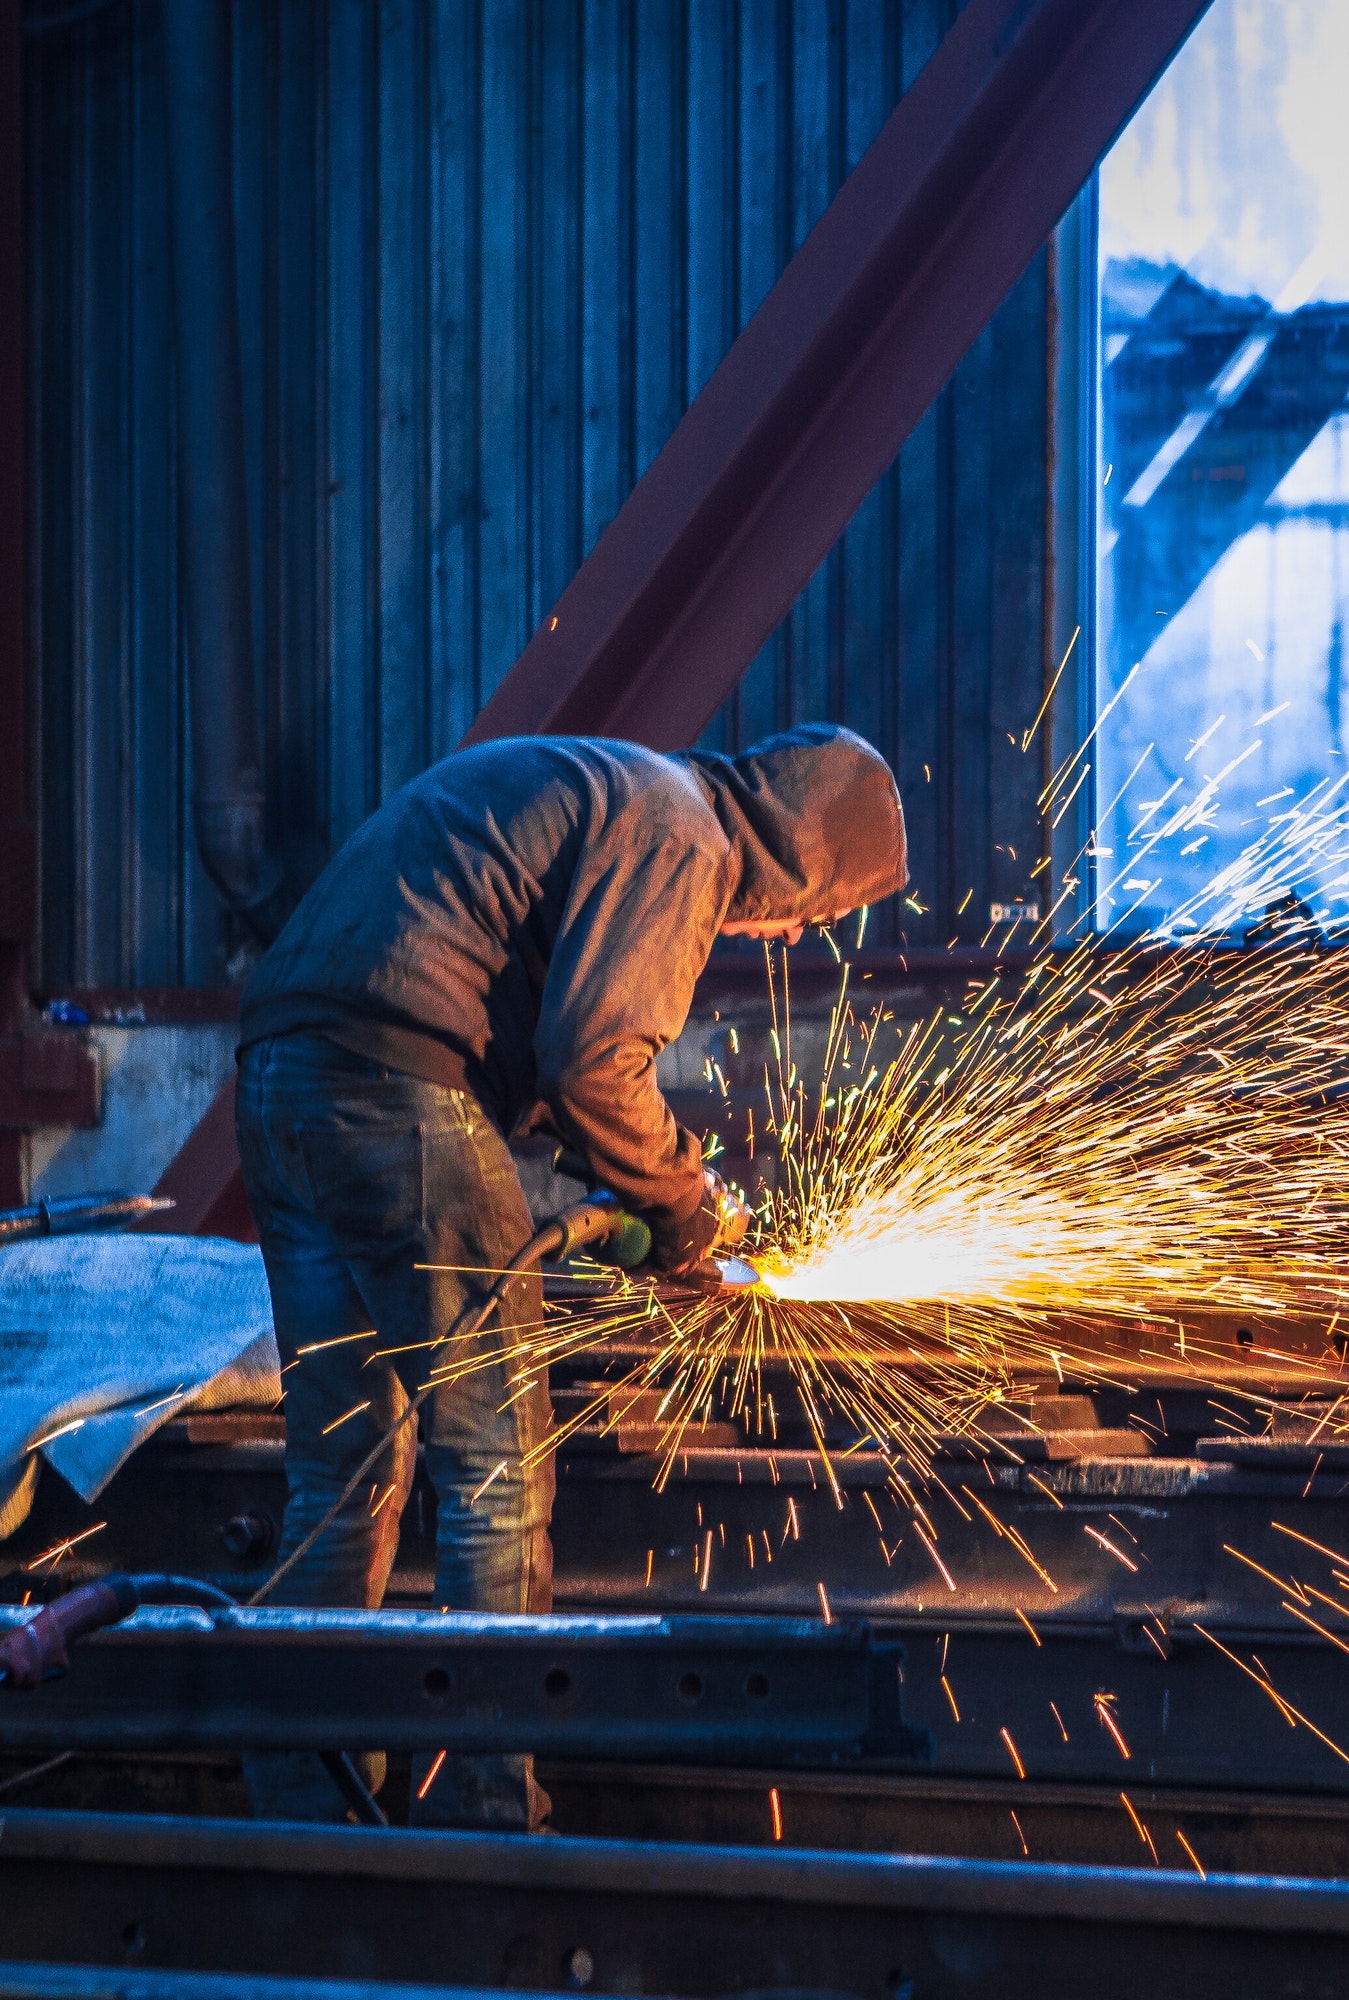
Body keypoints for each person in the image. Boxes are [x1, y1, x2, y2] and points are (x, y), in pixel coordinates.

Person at [232, 725, 907, 1828]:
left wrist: (618, 1190)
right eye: (821, 908)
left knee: (342, 1472)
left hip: (283, 1076)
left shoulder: (622, 788)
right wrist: (687, 1211)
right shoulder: (682, 832)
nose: (794, 930)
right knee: (495, 1466)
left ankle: (301, 1802)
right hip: (395, 1085)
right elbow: (594, 1058)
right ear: (801, 854)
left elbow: (533, 1040)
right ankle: (485, 1811)